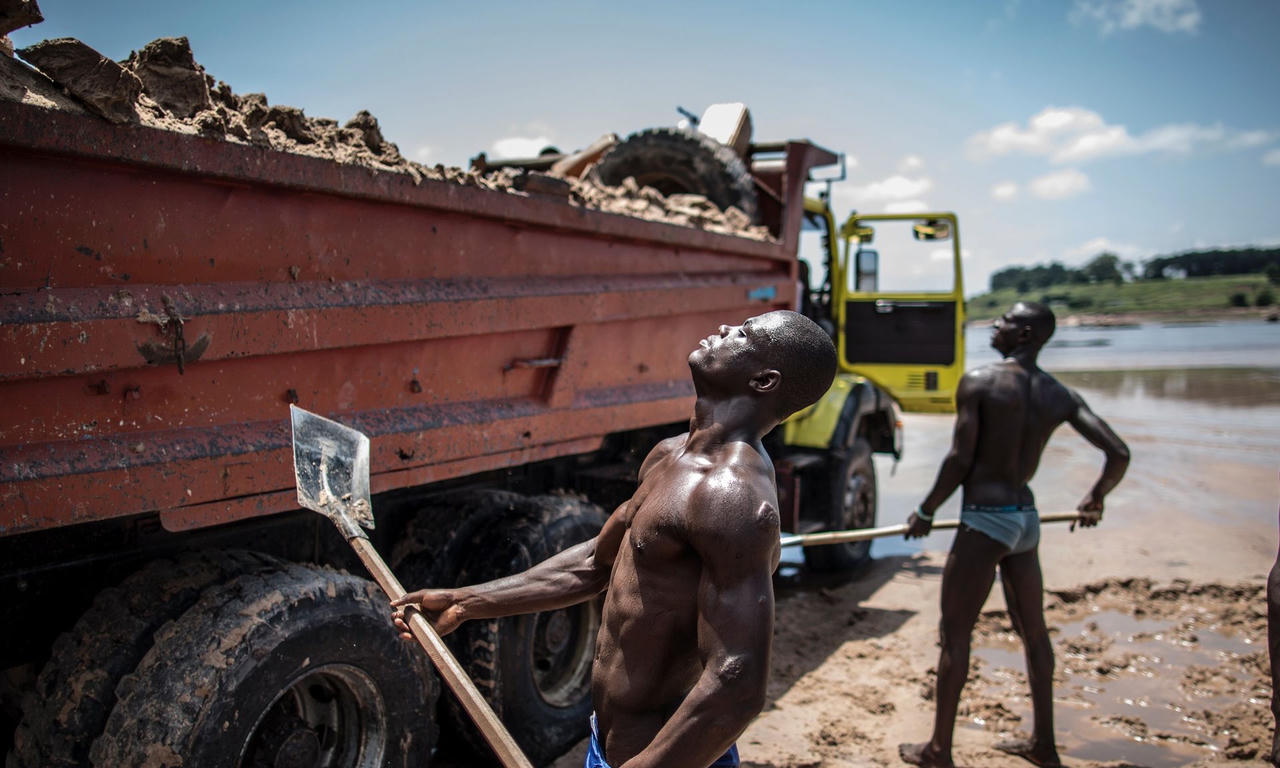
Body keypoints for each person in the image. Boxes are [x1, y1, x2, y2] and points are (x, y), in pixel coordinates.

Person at [392, 310, 837, 768]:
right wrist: (466, 602)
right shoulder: (670, 456)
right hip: (608, 743)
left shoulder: (732, 496)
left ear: (764, 381)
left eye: (743, 333)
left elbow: (737, 682)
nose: (725, 329)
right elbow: (595, 564)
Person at [898, 301, 1129, 768]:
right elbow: (1118, 453)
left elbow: (960, 460)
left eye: (1004, 320)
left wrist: (925, 510)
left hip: (985, 520)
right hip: (1025, 519)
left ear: (1024, 334)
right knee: (1034, 633)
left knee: (955, 636)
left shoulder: (981, 381)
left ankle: (938, 749)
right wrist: (1095, 497)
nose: (995, 325)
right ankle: (1044, 746)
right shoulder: (1059, 394)